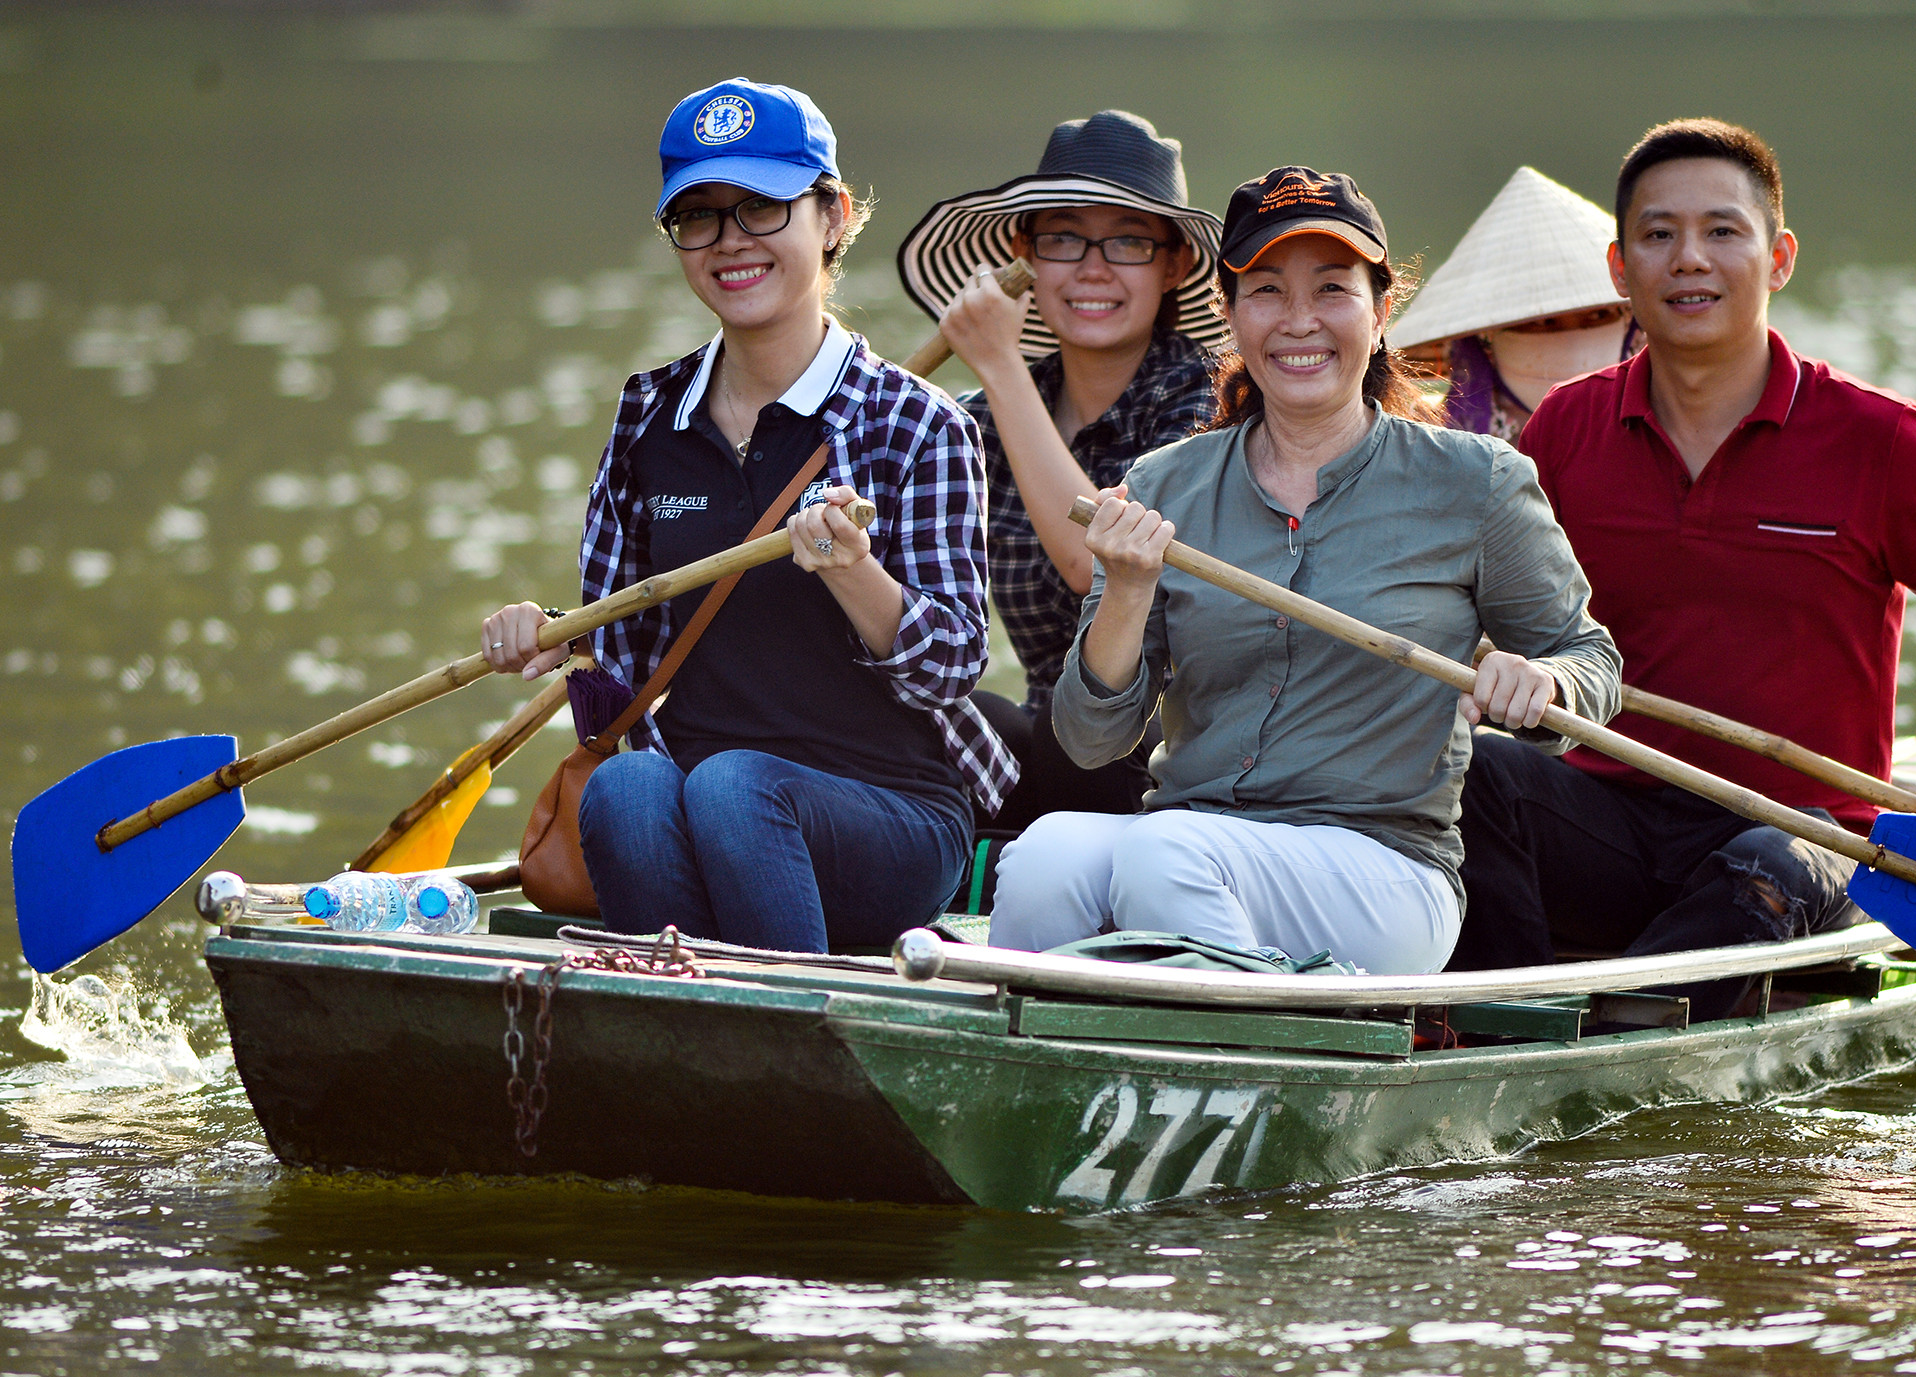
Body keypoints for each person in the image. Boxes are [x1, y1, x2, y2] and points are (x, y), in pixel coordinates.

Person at [1452, 119, 1916, 1016]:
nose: (1689, 259)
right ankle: (1509, 1024)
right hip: (1610, 816)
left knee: (1761, 866)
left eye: (1723, 231)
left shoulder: (1888, 441)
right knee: (1477, 771)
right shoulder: (1564, 428)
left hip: (1807, 834)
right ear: (1619, 267)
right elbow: (1494, 614)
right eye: (1658, 235)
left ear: (1780, 257)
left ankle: (1620, 1028)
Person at [988, 167, 1622, 974]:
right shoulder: (1162, 484)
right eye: (1265, 292)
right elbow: (1087, 741)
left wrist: (1546, 685)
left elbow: (1591, 661)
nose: (1298, 322)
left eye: (1331, 288)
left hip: (1387, 869)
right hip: (1193, 830)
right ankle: (1052, 1078)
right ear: (1228, 313)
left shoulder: (1477, 482)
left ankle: (1242, 1070)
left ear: (1380, 309)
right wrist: (1129, 591)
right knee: (1047, 852)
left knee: (1167, 853)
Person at [480, 78, 1014, 950]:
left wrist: (853, 571)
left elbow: (951, 668)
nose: (730, 243)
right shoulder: (648, 414)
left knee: (735, 787)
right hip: (699, 800)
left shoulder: (919, 424)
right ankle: (689, 1035)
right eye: (700, 216)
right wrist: (555, 638)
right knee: (622, 789)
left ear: (833, 216)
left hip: (894, 815)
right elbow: (618, 679)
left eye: (762, 208)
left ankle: (792, 1041)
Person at [898, 110, 1225, 829]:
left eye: (1129, 241)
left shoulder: (1206, 398)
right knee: (907, 706)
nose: (1092, 267)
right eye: (1064, 238)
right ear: (1026, 256)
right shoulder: (980, 416)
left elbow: (1097, 561)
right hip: (1044, 737)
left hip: (1165, 745)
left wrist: (999, 363)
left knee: (1083, 746)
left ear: (1173, 264)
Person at [1389, 166, 1641, 444]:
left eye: (1598, 315)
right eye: (1544, 322)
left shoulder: (1663, 430)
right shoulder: (1423, 444)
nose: (1572, 341)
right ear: (1488, 342)